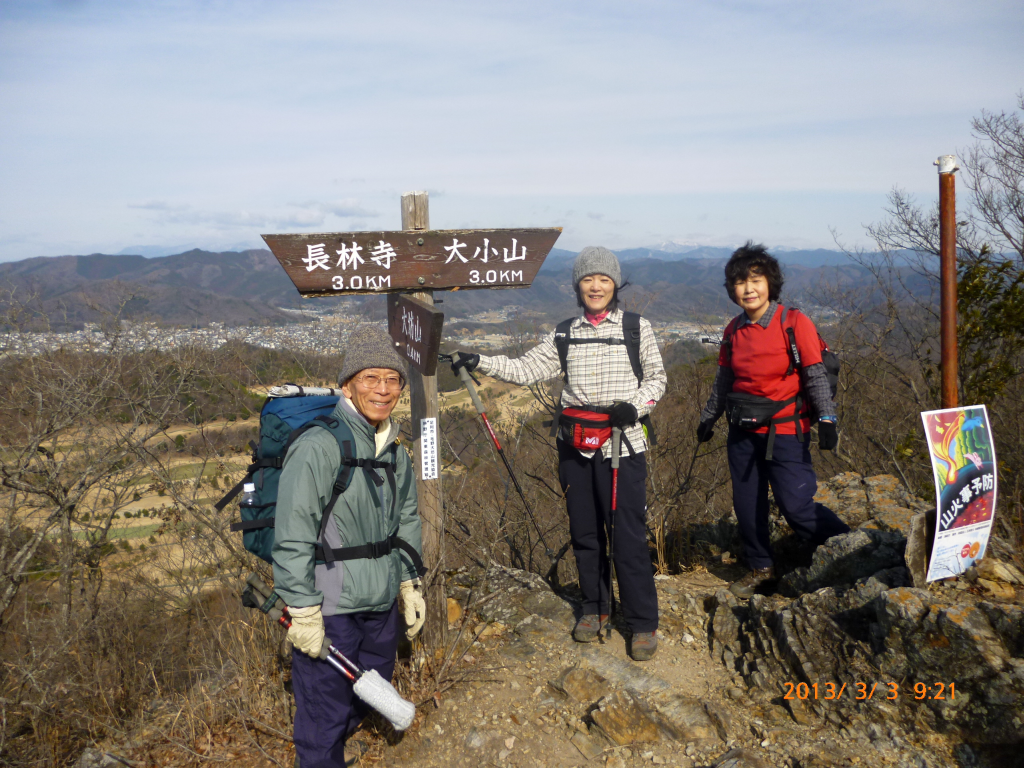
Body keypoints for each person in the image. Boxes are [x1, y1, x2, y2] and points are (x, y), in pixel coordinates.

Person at [451, 246, 667, 661]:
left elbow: (657, 379)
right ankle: (594, 608)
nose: (596, 286)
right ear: (577, 285)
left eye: (604, 279)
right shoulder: (565, 332)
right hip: (574, 445)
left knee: (627, 537)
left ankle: (641, 623)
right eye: (588, 279)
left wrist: (634, 408)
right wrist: (479, 361)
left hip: (622, 444)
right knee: (584, 533)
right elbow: (526, 368)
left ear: (616, 284)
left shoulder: (638, 328)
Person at [272, 326, 424, 768]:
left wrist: (411, 585)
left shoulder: (395, 449)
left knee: (369, 684)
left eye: (392, 379)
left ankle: (344, 745)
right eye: (370, 378)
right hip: (330, 604)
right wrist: (301, 608)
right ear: (347, 384)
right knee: (324, 710)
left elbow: (407, 519)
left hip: (380, 601)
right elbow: (294, 531)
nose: (383, 389)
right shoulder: (320, 444)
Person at [697, 242, 850, 599]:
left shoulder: (793, 323)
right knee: (747, 504)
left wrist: (827, 419)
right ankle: (761, 568)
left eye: (756, 279)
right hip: (742, 430)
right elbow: (724, 380)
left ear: (770, 283)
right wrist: (708, 418)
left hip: (785, 430)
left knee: (796, 505)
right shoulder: (733, 330)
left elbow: (813, 375)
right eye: (739, 282)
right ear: (731, 289)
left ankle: (847, 547)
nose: (748, 289)